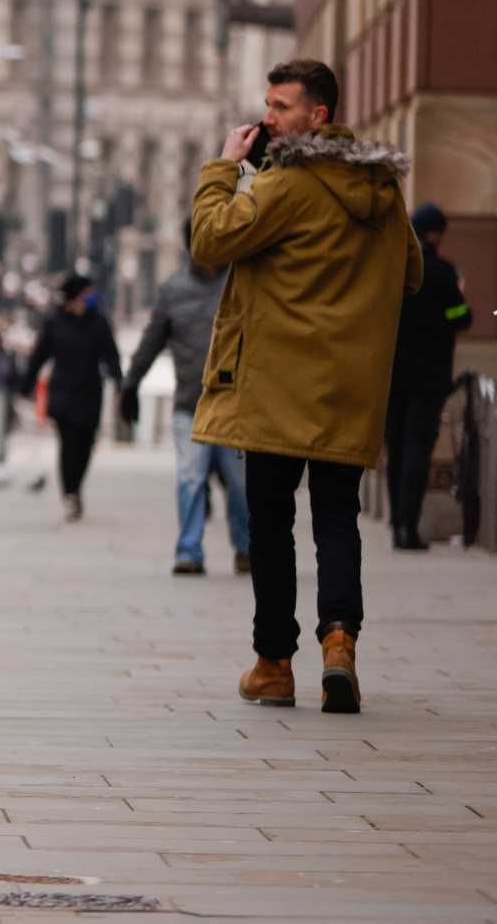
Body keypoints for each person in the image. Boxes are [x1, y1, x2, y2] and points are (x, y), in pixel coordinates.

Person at [192, 58, 422, 715]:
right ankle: (340, 643)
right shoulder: (381, 190)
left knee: (271, 524)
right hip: (347, 387)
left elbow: (209, 241)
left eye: (282, 106)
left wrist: (224, 169)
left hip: (275, 386)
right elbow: (411, 271)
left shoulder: (284, 185)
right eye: (267, 104)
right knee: (336, 517)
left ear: (318, 115)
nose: (268, 118)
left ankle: (273, 665)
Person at [122, 252, 249, 576]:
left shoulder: (242, 282)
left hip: (234, 407)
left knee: (240, 484)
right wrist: (131, 383)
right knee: (190, 479)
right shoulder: (174, 290)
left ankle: (246, 548)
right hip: (190, 405)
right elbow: (152, 340)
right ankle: (189, 551)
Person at [385, 203, 473, 550]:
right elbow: (461, 318)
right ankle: (408, 525)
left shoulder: (393, 269)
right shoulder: (442, 272)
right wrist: (460, 299)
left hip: (392, 375)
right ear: (435, 233)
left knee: (396, 448)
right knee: (417, 450)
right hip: (429, 377)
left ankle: (396, 524)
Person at [18, 273, 123, 520]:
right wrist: (26, 384)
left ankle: (76, 487)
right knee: (67, 444)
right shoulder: (55, 321)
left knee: (86, 444)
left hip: (89, 392)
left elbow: (111, 355)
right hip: (63, 392)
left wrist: (120, 382)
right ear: (75, 296)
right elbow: (39, 355)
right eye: (87, 294)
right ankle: (70, 493)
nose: (91, 298)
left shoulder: (98, 322)